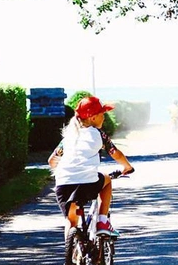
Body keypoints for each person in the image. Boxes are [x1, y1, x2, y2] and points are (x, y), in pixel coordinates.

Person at [48, 95, 134, 239]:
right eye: (102, 114)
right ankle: (102, 222)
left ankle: (72, 259)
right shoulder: (98, 134)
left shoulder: (69, 137)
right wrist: (127, 167)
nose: (104, 118)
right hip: (87, 182)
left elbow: (52, 161)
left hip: (63, 185)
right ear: (93, 118)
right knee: (107, 180)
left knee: (71, 221)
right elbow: (115, 153)